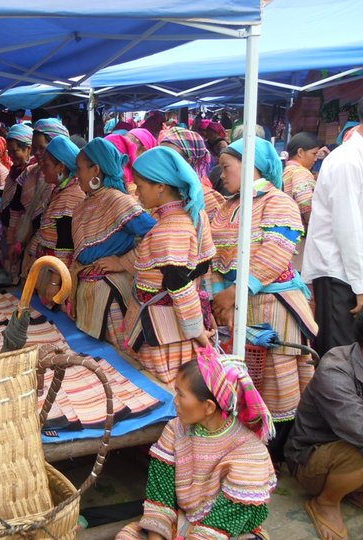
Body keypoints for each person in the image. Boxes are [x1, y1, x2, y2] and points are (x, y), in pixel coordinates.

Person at [212, 137, 317, 462]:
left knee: (276, 381)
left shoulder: (278, 202)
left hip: (273, 309)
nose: (222, 172)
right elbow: (215, 257)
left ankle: (273, 454)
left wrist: (235, 292)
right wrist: (221, 297)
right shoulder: (228, 206)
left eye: (227, 166)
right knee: (245, 377)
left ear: (252, 166)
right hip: (235, 308)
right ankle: (245, 444)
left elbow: (275, 252)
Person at [117, 349, 276, 540]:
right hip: (185, 522)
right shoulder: (175, 430)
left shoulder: (249, 452)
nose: (174, 402)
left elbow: (222, 524)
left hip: (231, 532)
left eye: (181, 395)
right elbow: (161, 495)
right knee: (128, 536)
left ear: (208, 406)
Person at [118, 146, 216, 386]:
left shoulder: (170, 229)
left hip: (166, 333)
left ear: (160, 186)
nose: (137, 193)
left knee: (165, 386)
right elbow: (201, 271)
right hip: (177, 328)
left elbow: (179, 287)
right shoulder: (192, 216)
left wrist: (196, 331)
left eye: (140, 186)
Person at [66, 138, 156, 350]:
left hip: (109, 298)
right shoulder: (83, 205)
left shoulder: (118, 201)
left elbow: (157, 236)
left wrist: (123, 262)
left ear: (95, 169)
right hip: (86, 294)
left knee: (113, 359)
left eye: (79, 169)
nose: (75, 175)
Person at [285, 312, 363, 540]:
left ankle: (355, 488)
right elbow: (357, 427)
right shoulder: (335, 368)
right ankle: (325, 503)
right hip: (311, 458)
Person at [303, 101, 363, 357]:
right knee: (339, 355)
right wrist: (360, 286)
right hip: (339, 272)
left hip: (351, 271)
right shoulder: (347, 161)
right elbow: (347, 226)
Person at [29, 135, 85, 305]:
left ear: (60, 167)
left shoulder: (70, 197)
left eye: (46, 164)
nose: (42, 167)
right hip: (49, 267)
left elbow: (66, 245)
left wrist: (55, 282)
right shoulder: (60, 190)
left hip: (57, 273)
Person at [12, 118, 70, 278]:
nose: (36, 153)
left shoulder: (67, 186)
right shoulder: (30, 173)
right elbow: (16, 207)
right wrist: (14, 240)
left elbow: (65, 239)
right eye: (34, 148)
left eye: (42, 148)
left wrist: (55, 280)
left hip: (51, 257)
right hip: (28, 244)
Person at [160, 126, 225, 223]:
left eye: (170, 157)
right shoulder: (159, 191)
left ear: (189, 161)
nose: (162, 161)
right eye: (160, 155)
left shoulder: (205, 198)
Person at [0, 123, 34, 278]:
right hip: (9, 231)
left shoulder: (31, 175)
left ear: (28, 149)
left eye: (16, 151)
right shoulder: (12, 172)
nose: (12, 156)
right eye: (9, 152)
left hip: (23, 236)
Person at [282, 132, 321, 229]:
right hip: (299, 229)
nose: (315, 159)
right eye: (314, 153)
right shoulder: (301, 172)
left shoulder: (287, 169)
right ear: (300, 152)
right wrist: (313, 226)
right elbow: (305, 201)